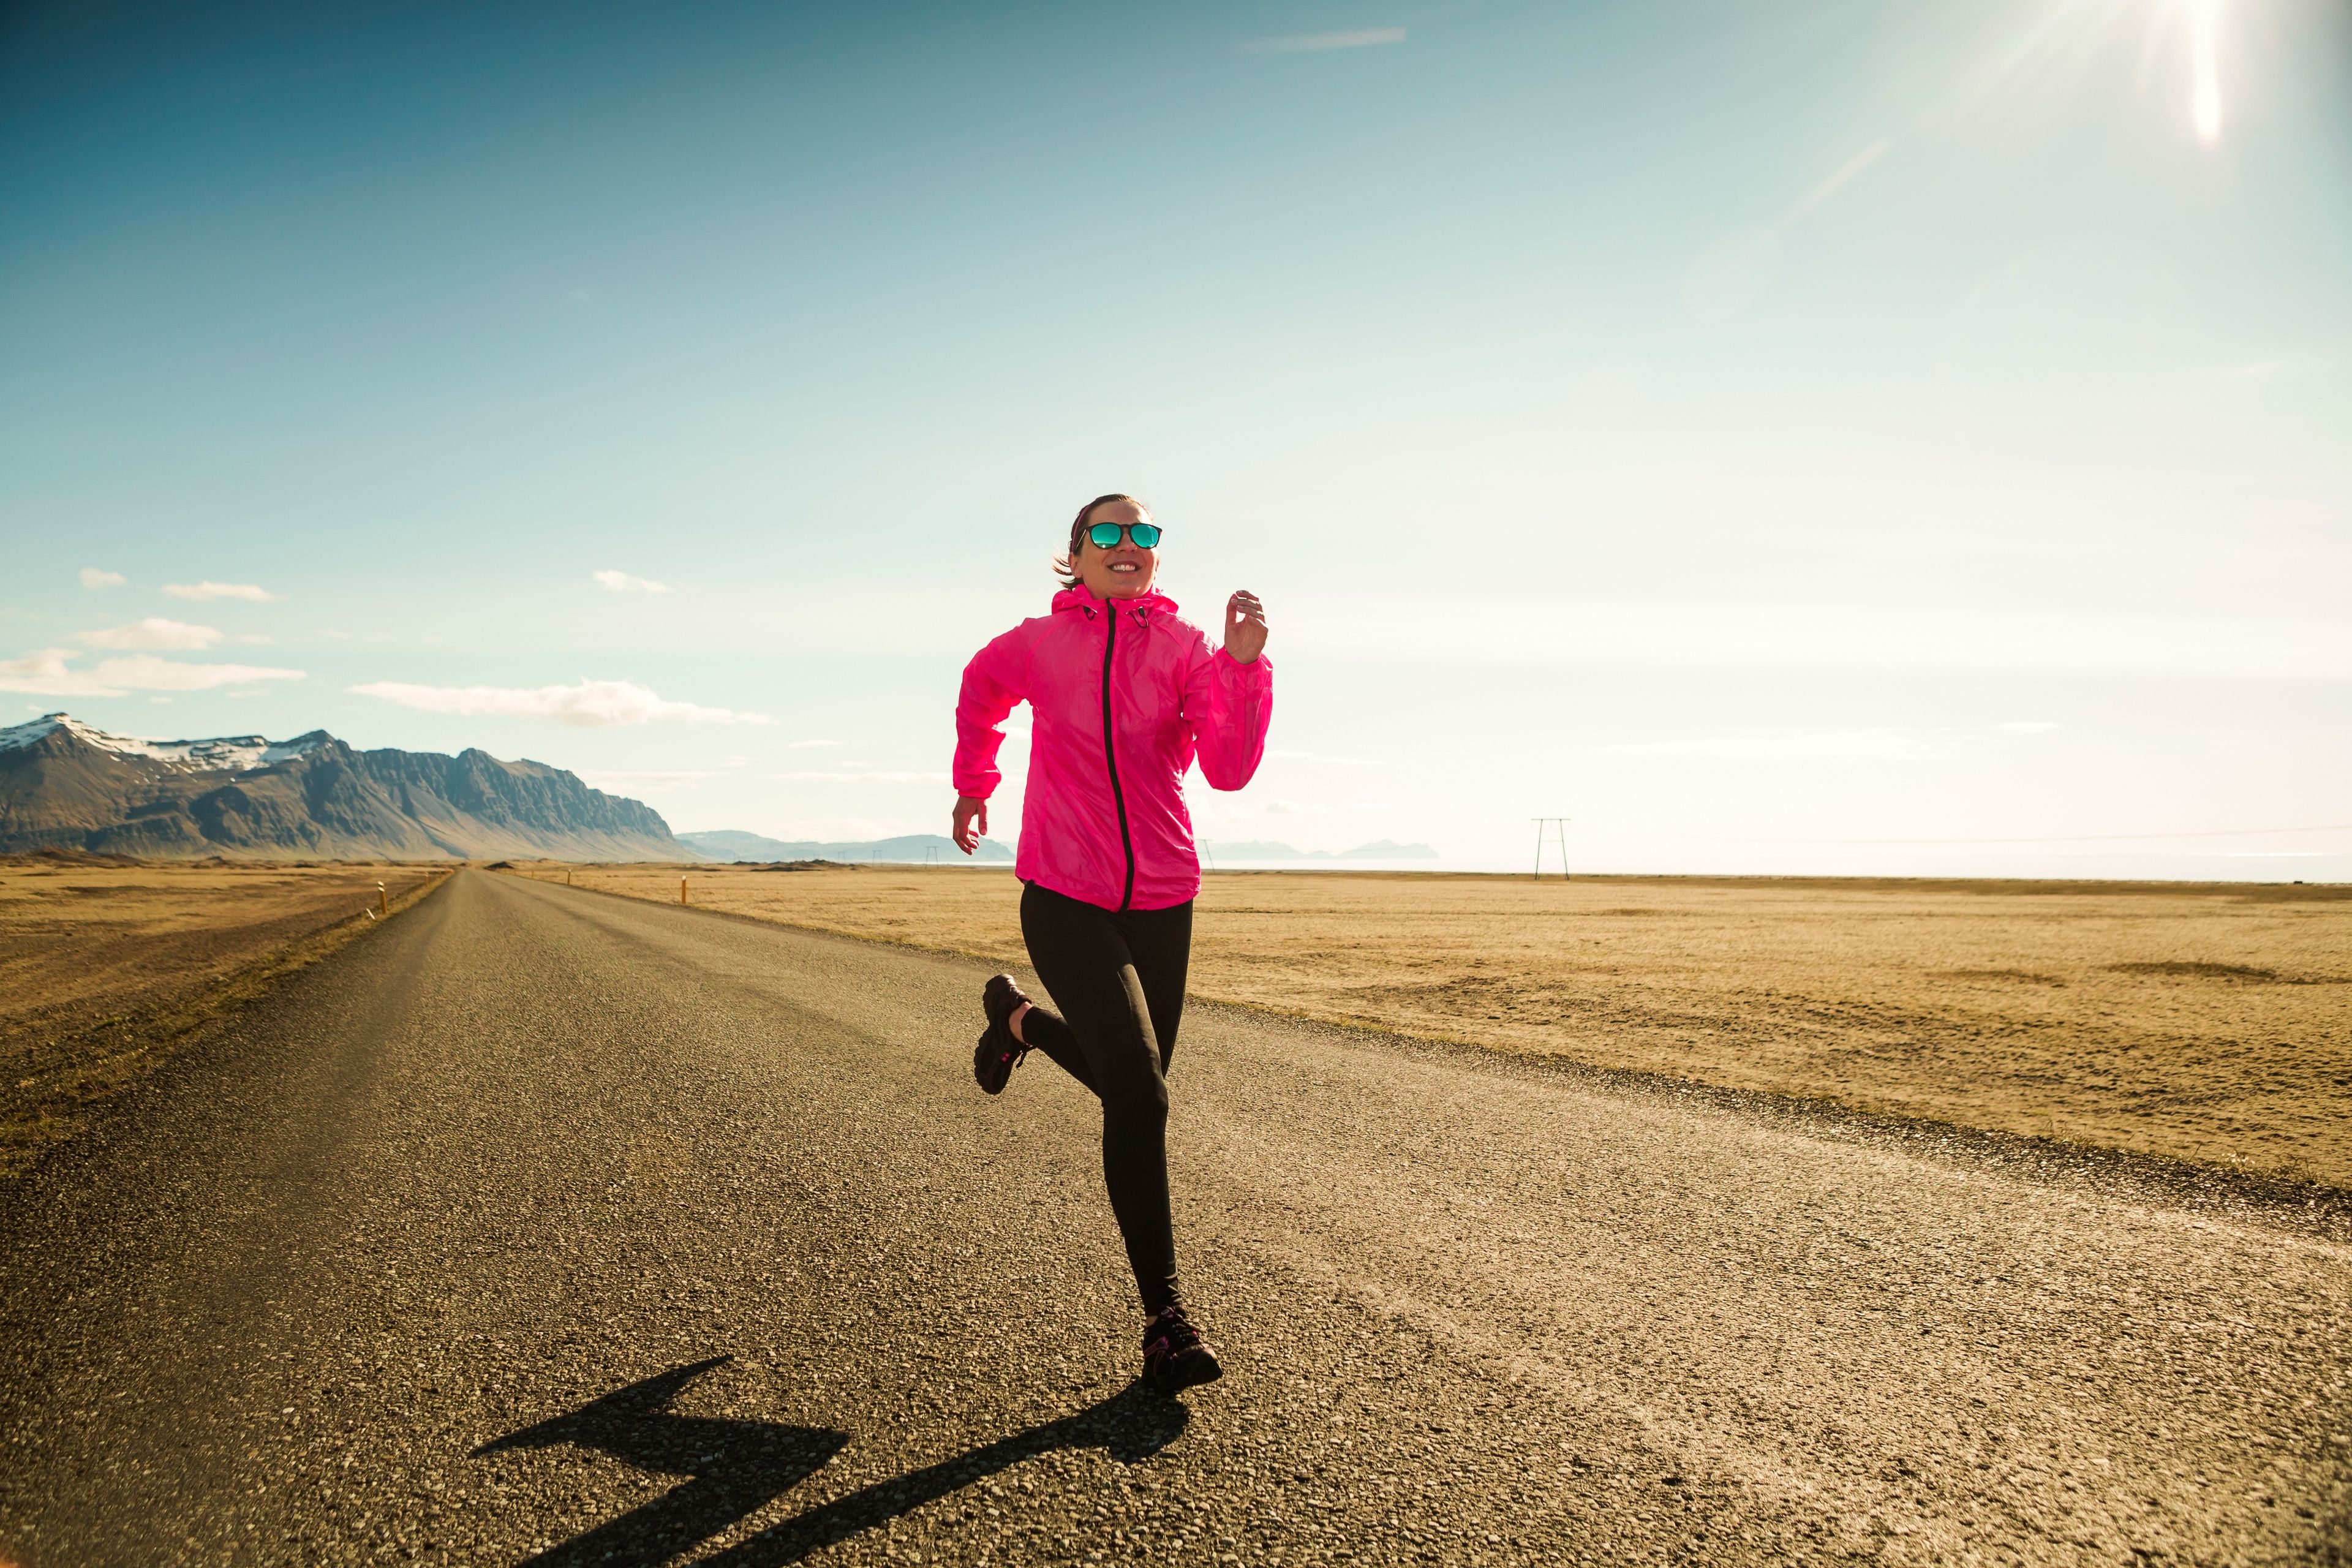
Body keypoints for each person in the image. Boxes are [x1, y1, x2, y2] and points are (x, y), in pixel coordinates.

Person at [949, 492, 1271, 1395]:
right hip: (1064, 893)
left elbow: (1229, 769)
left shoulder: (1186, 651)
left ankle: (1016, 1023)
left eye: (1145, 535)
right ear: (1077, 556)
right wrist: (977, 782)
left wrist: (1245, 670)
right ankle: (1166, 1321)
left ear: (1155, 559)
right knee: (1139, 1092)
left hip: (1164, 899)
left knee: (1138, 1091)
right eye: (1109, 533)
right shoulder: (1039, 645)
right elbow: (980, 687)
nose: (1129, 545)